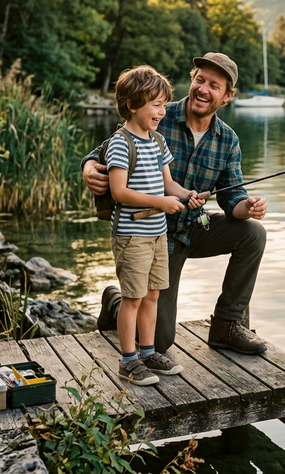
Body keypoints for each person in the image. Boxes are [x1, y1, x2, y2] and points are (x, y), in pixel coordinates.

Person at [83, 52, 268, 355]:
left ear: (228, 96)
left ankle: (226, 325)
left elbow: (231, 197)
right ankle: (116, 302)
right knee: (159, 341)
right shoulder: (156, 112)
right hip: (150, 236)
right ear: (192, 80)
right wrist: (89, 169)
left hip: (194, 230)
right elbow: (98, 154)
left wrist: (247, 206)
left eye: (214, 85)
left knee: (253, 233)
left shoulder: (228, 140)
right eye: (200, 80)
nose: (203, 89)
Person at [106, 65, 204, 386]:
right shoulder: (121, 143)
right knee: (132, 298)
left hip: (157, 234)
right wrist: (159, 203)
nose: (162, 111)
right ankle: (128, 360)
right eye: (155, 105)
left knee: (152, 296)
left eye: (164, 105)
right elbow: (119, 191)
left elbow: (168, 184)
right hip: (132, 234)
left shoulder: (158, 141)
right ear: (132, 105)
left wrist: (186, 194)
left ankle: (148, 353)